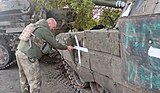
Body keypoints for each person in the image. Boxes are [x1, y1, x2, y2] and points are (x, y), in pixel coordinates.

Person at [15, 18, 74, 93]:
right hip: (28, 55)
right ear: (49, 23)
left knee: (23, 78)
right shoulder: (44, 30)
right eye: (54, 26)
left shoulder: (36, 26)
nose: (54, 28)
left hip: (19, 52)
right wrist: (67, 47)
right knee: (35, 81)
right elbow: (55, 44)